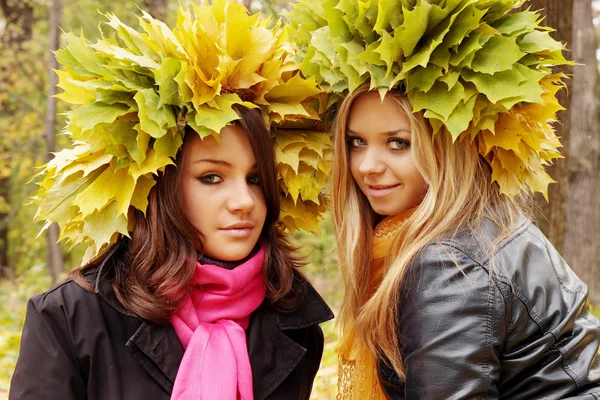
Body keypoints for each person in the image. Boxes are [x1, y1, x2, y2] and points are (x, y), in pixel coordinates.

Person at [10, 2, 332, 399]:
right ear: (161, 188)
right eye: (211, 177)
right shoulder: (71, 320)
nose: (245, 201)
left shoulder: (295, 323)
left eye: (256, 179)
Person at [287, 0, 600, 399]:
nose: (367, 165)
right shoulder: (484, 225)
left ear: (446, 149)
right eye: (356, 142)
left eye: (398, 143)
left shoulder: (449, 263)